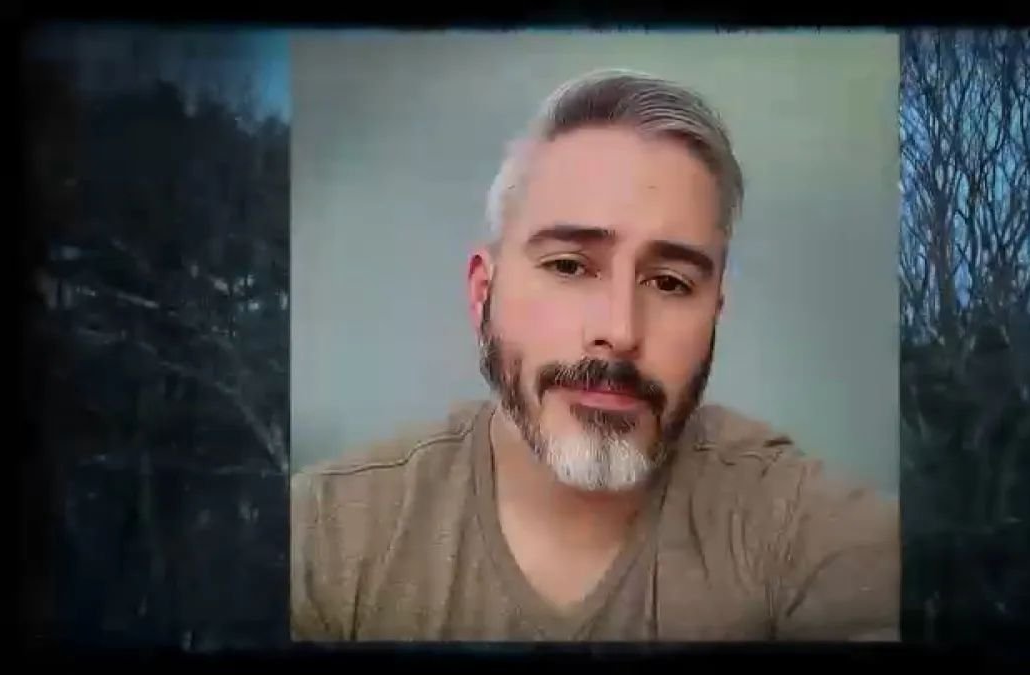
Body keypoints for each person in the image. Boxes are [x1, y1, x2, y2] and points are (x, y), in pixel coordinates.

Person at [290, 68, 900, 641]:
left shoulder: (805, 527)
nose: (619, 331)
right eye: (568, 266)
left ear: (715, 310)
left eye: (670, 283)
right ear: (482, 295)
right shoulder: (323, 534)